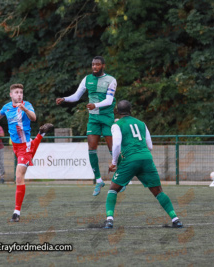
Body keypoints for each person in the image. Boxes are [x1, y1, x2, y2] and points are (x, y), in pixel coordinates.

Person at [0, 83, 54, 222]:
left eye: (21, 92)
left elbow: (33, 118)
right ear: (11, 95)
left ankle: (16, 212)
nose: (19, 94)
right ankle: (40, 135)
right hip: (16, 147)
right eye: (16, 92)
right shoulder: (7, 107)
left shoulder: (27, 105)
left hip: (25, 146)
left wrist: (24, 108)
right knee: (23, 168)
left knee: (18, 177)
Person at [103, 100, 182, 229]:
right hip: (146, 158)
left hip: (129, 159)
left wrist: (113, 163)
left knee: (113, 189)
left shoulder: (117, 125)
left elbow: (116, 144)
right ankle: (176, 219)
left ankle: (109, 220)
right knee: (158, 191)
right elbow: (150, 145)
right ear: (131, 110)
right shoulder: (141, 124)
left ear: (116, 111)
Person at [56, 56, 125, 196]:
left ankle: (122, 179)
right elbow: (76, 96)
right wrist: (65, 99)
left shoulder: (111, 80)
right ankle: (99, 180)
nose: (94, 67)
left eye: (97, 64)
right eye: (93, 64)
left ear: (103, 66)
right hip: (93, 118)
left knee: (113, 147)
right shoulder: (87, 79)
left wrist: (95, 105)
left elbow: (109, 100)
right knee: (91, 147)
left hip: (107, 117)